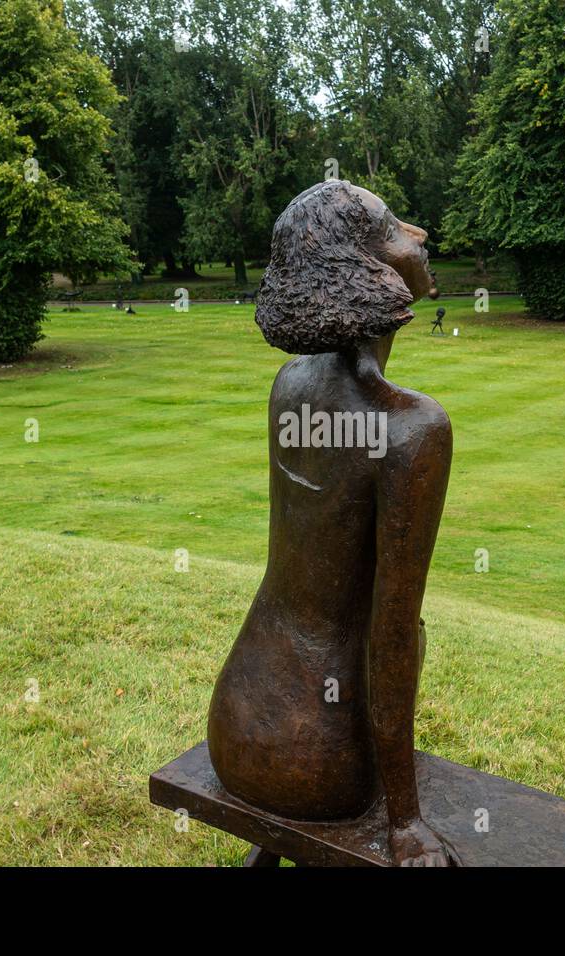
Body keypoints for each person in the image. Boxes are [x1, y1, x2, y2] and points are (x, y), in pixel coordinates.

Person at [207, 180, 458, 866]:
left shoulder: (290, 384)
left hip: (237, 722)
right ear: (367, 270)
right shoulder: (412, 429)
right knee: (410, 629)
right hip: (321, 758)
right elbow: (392, 633)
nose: (420, 237)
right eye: (397, 231)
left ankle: (271, 846)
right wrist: (404, 823)